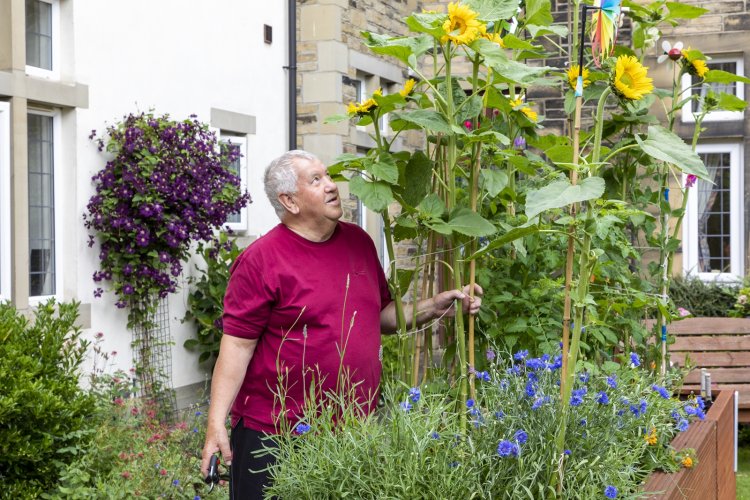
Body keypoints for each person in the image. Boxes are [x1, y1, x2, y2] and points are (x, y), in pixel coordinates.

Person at [200, 150, 482, 498]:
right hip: (276, 433)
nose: (332, 186)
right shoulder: (261, 261)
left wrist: (435, 306)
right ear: (289, 201)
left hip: (352, 430)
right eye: (316, 180)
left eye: (328, 176)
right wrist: (216, 422)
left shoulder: (359, 242)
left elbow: (381, 314)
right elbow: (238, 345)